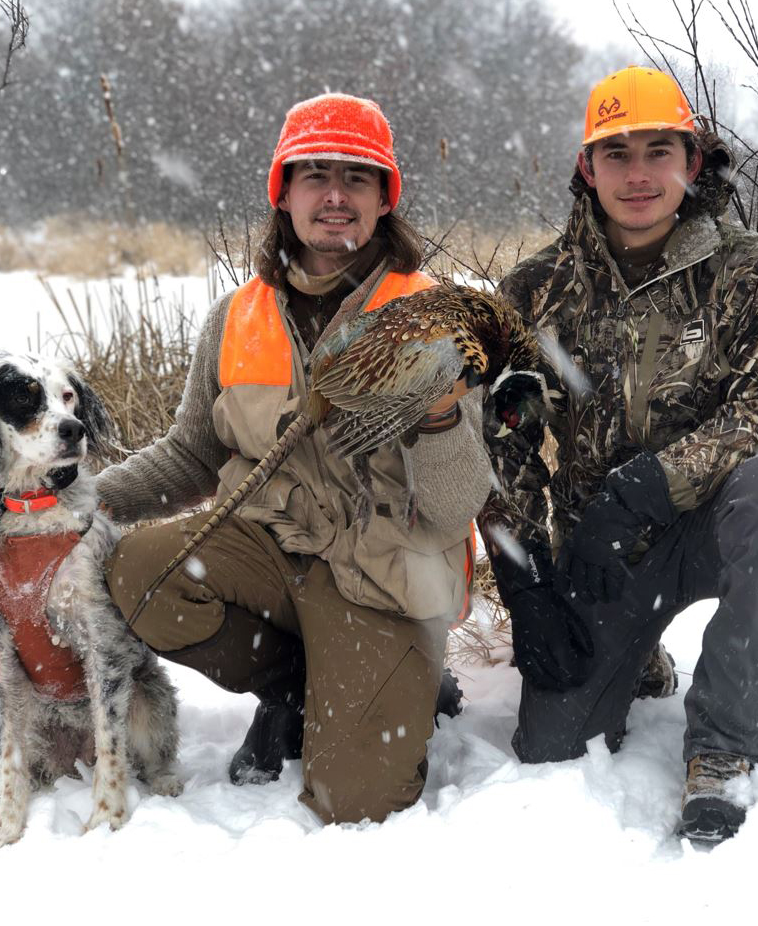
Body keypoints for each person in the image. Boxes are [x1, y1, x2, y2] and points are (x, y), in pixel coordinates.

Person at [99, 93, 491, 824]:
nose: (335, 196)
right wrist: (82, 503)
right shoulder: (235, 316)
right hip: (273, 553)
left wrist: (439, 416)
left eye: (357, 177)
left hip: (385, 575)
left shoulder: (434, 314)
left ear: (384, 199)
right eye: (314, 175)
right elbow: (190, 452)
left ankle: (396, 678)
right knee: (140, 572)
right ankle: (301, 683)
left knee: (353, 800)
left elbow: (453, 504)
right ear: (283, 193)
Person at [479, 66, 758, 843]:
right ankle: (637, 660)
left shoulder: (749, 269)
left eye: (658, 150)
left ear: (692, 161)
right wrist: (525, 582)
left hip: (715, 522)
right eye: (615, 153)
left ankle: (722, 747)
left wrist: (646, 488)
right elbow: (506, 444)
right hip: (603, 553)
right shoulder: (535, 289)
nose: (637, 175)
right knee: (552, 745)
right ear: (584, 168)